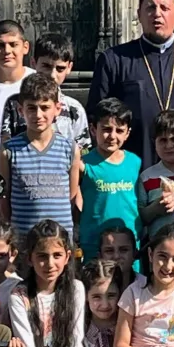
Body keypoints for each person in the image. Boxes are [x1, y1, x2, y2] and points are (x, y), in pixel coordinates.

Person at [89, 0, 174, 164]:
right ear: (139, 15)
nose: (157, 14)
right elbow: (96, 116)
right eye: (150, 8)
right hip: (133, 167)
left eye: (164, 8)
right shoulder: (114, 60)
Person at [0, 72, 83, 231]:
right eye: (31, 108)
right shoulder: (8, 151)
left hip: (59, 243)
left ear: (57, 109)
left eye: (45, 108)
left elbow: (72, 196)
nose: (38, 115)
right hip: (23, 243)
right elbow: (4, 197)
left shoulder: (69, 149)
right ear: (21, 110)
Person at [76, 97, 140, 261]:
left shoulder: (136, 162)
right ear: (92, 129)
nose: (112, 136)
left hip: (130, 243)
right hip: (94, 243)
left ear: (127, 133)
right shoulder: (84, 164)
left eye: (119, 130)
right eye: (106, 129)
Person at [4, 35, 90, 145]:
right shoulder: (15, 104)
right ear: (34, 63)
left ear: (69, 68)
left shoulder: (74, 109)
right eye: (46, 66)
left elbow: (83, 151)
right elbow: (6, 149)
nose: (52, 75)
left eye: (60, 68)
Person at [137, 108, 174, 243]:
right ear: (154, 143)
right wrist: (156, 208)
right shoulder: (147, 177)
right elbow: (140, 217)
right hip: (159, 245)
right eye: (163, 140)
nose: (169, 145)